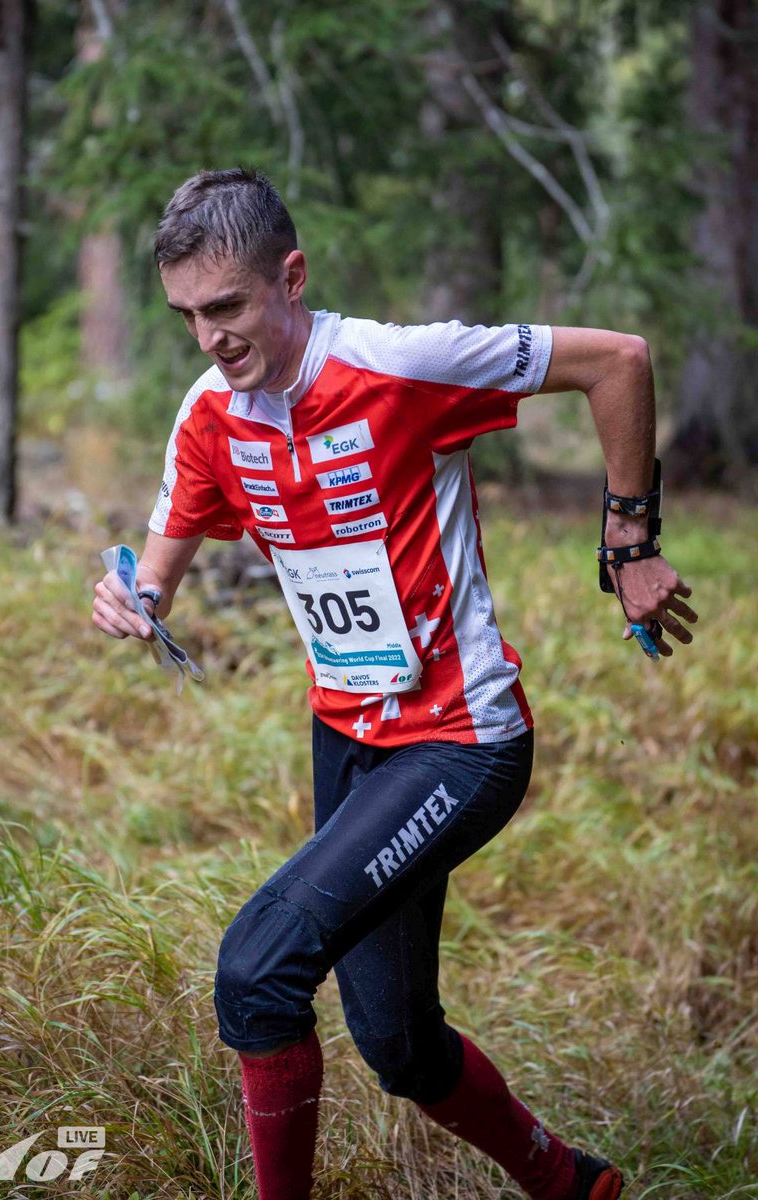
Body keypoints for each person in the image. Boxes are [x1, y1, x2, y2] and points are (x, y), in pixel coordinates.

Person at [92, 168, 697, 1200]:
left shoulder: (399, 364)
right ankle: (573, 1186)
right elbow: (158, 559)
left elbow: (617, 362)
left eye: (228, 306)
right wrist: (134, 600)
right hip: (350, 744)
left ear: (291, 276)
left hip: (462, 744)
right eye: (187, 315)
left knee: (255, 971)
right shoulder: (210, 415)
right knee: (399, 1046)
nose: (210, 338)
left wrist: (629, 537)